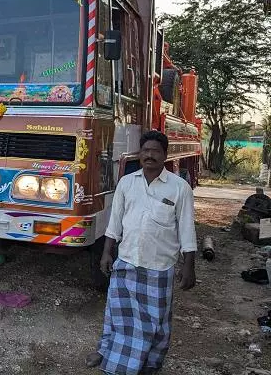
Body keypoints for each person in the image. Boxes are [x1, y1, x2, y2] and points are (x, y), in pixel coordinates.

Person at [86, 130, 197, 374]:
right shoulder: (127, 182)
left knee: (156, 323)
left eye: (155, 151)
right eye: (145, 150)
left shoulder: (179, 188)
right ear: (140, 153)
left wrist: (189, 265)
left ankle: (151, 362)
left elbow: (187, 229)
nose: (149, 155)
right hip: (126, 260)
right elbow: (114, 223)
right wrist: (107, 252)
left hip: (159, 266)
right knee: (116, 313)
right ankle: (106, 351)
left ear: (164, 155)